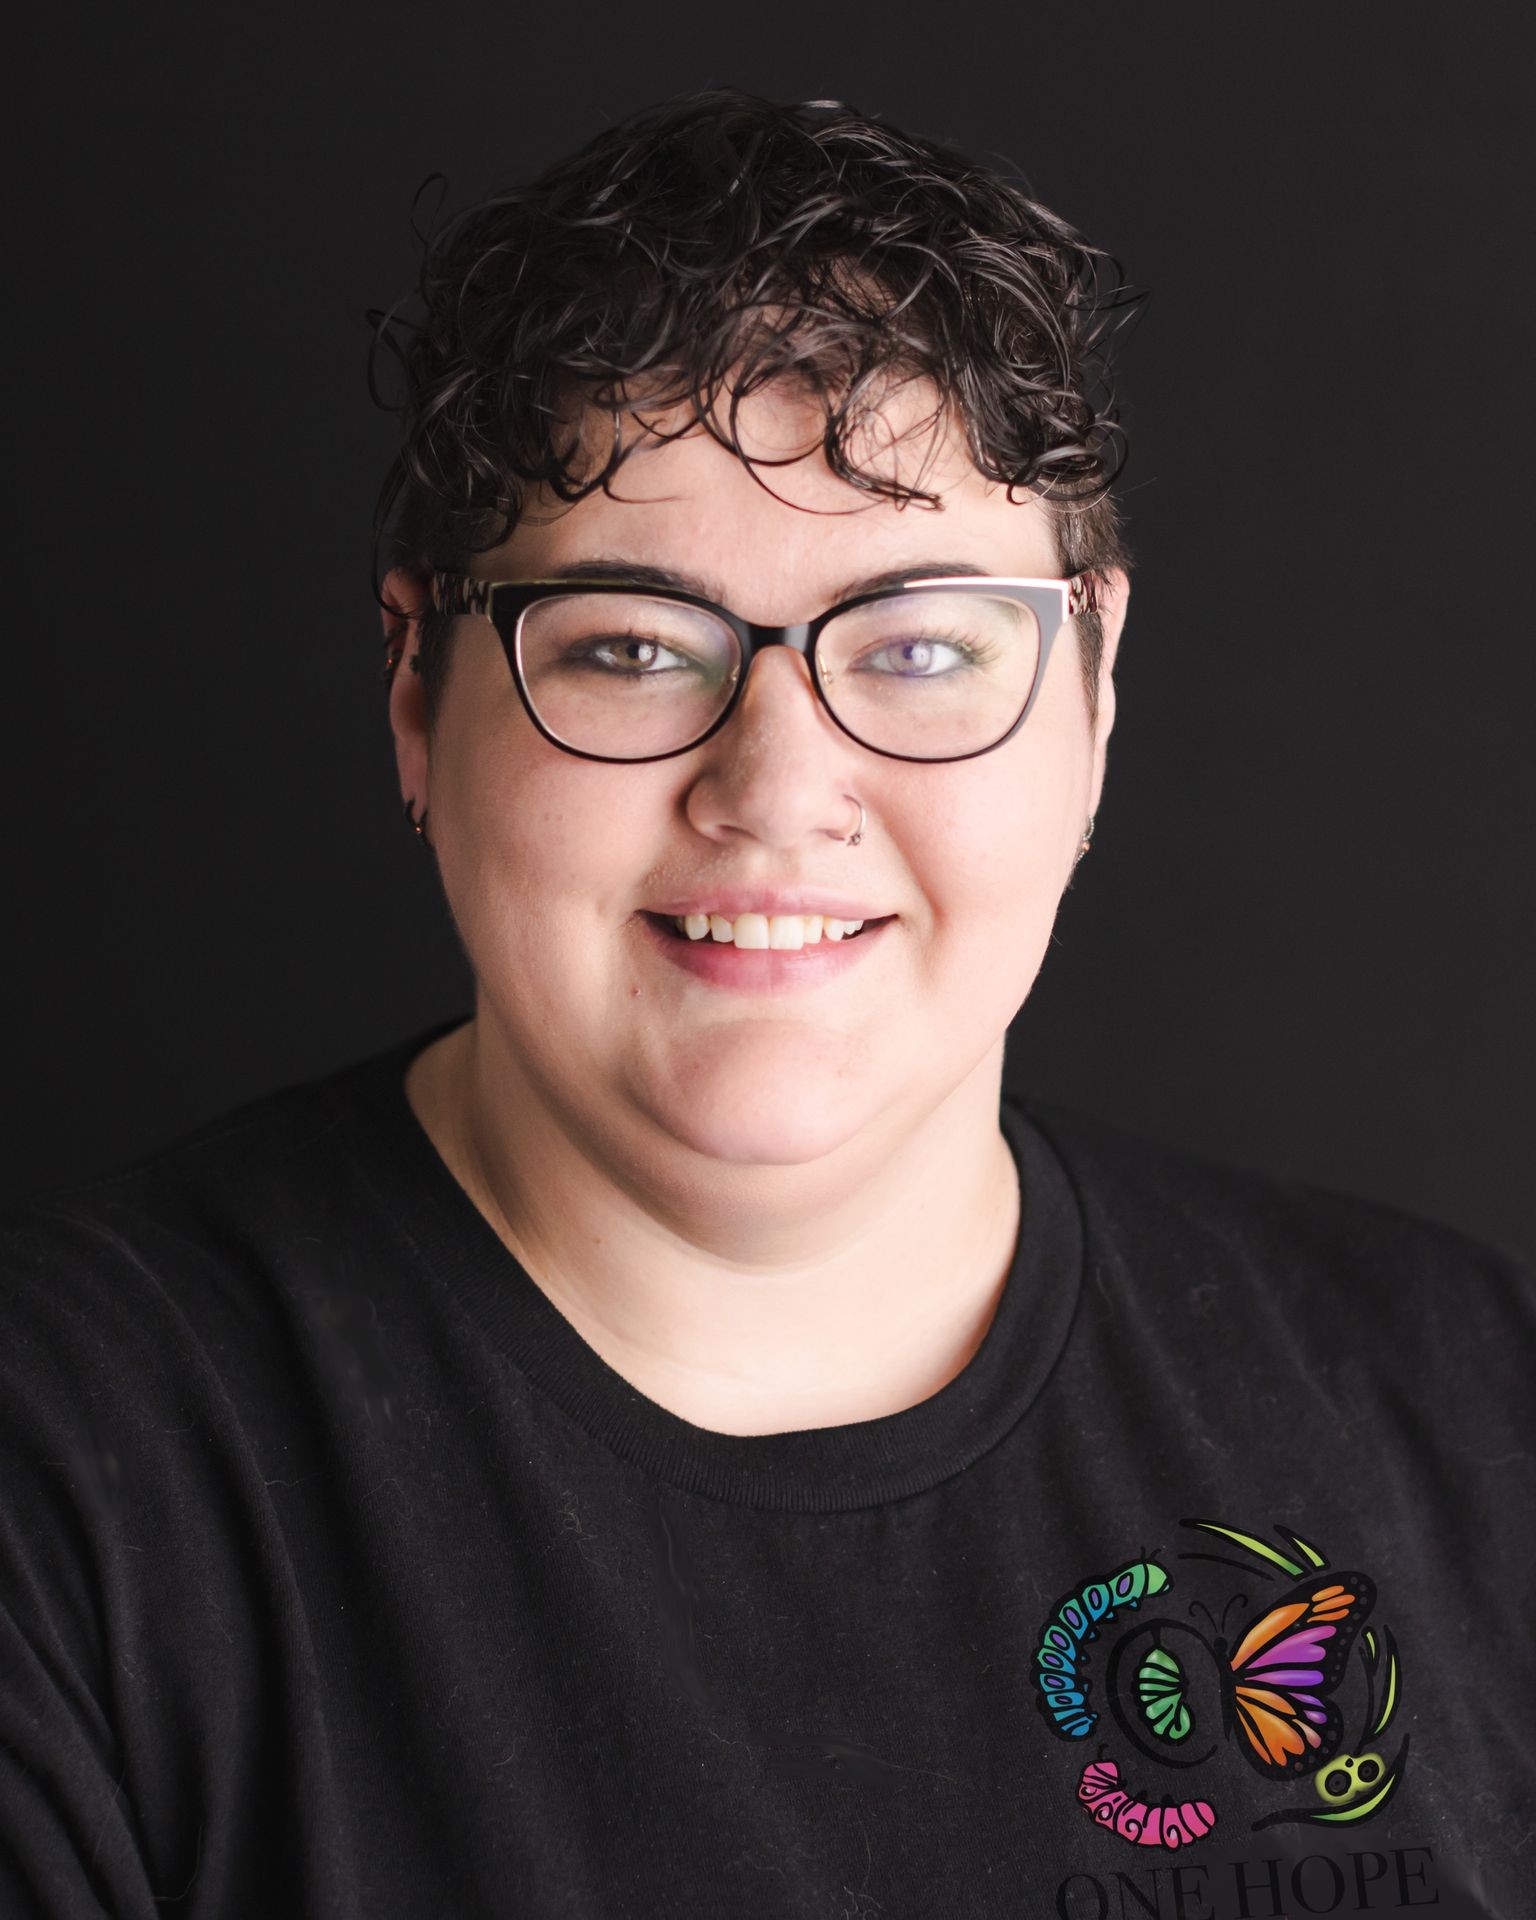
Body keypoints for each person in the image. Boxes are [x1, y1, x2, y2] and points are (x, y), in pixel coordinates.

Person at [2, 87, 1530, 1920]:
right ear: (420, 691)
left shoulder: (1474, 1410)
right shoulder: (70, 1488)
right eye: (635, 645)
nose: (779, 787)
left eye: (922, 644)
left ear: (1097, 690)